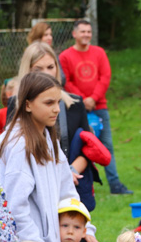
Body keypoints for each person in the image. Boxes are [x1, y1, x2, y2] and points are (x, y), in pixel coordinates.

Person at [0, 71, 103, 242]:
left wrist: (85, 229)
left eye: (58, 102)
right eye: (49, 102)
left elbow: (67, 192)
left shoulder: (47, 138)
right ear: (27, 104)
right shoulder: (18, 145)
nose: (56, 109)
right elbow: (16, 207)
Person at [13, 41, 102, 209]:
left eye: (50, 67)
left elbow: (89, 146)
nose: (46, 73)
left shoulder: (75, 103)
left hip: (71, 184)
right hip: (34, 186)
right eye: (38, 69)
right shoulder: (16, 104)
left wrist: (70, 171)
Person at [59, 20, 132, 195]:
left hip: (99, 106)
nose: (86, 35)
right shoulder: (65, 56)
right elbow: (66, 81)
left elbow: (105, 77)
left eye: (89, 31)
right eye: (82, 31)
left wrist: (93, 98)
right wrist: (83, 100)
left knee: (106, 146)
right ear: (74, 34)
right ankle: (76, 182)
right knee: (79, 146)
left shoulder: (99, 53)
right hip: (76, 109)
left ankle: (115, 184)